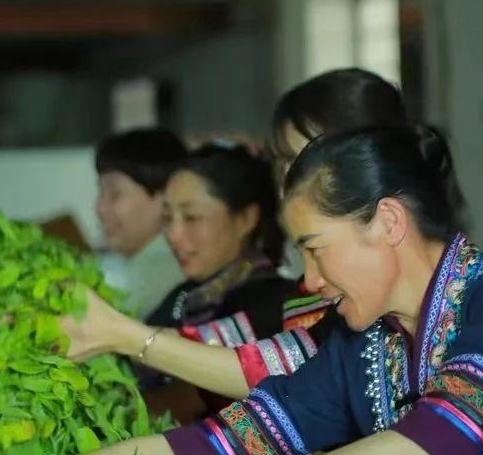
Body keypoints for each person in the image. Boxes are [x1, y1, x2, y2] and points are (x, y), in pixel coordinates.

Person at [30, 126, 483, 455]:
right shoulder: (364, 344)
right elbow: (216, 447)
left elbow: (430, 448)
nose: (306, 279)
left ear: (387, 223)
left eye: (314, 246)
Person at [62, 68, 425, 401]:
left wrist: (125, 336)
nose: (286, 182)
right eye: (281, 164)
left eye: (192, 217)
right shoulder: (301, 303)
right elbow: (272, 389)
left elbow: (280, 394)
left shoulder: (464, 301)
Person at [137, 142, 295, 416]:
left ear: (246, 218)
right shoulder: (184, 294)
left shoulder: (273, 303)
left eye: (192, 217)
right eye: (166, 217)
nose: (173, 235)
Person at [94, 128, 187, 319]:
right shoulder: (140, 265)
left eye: (114, 194)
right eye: (101, 191)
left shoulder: (161, 275)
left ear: (165, 197)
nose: (99, 208)